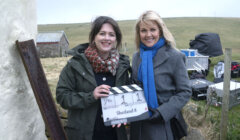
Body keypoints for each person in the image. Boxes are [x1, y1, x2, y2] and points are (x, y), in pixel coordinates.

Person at [56, 16, 130, 140]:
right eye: (102, 33)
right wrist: (91, 96)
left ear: (116, 38)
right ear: (94, 36)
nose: (107, 38)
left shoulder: (123, 67)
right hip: (83, 135)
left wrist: (125, 114)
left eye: (111, 34)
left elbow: (128, 99)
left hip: (115, 136)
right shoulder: (75, 64)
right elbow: (62, 96)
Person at [130, 10, 192, 140]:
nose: (148, 35)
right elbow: (134, 86)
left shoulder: (174, 56)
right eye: (143, 30)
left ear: (160, 31)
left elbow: (185, 92)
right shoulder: (136, 57)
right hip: (138, 122)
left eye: (153, 29)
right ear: (138, 33)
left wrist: (163, 112)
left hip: (162, 122)